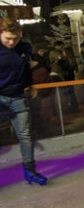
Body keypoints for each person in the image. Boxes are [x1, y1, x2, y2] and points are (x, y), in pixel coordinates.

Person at [0, 18, 48, 185]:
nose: (12, 42)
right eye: (7, 38)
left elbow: (25, 68)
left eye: (15, 38)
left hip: (18, 97)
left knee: (25, 136)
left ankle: (30, 171)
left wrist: (30, 84)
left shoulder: (24, 47)